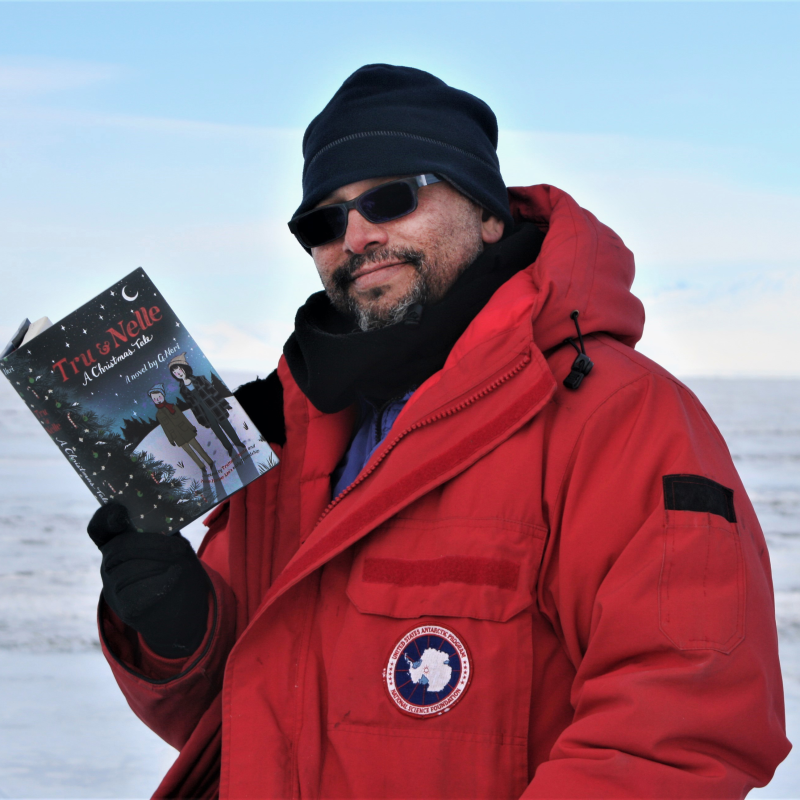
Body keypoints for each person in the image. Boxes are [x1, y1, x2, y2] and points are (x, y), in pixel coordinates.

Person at [86, 64, 790, 799]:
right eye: (322, 223)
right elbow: (258, 720)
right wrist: (179, 633)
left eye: (391, 196)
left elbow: (680, 730)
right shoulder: (288, 432)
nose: (356, 236)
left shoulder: (623, 418)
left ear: (488, 214)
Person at [168, 353, 247, 458]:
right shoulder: (182, 390)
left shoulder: (200, 379)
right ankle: (228, 447)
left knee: (226, 426)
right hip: (204, 413)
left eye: (178, 370)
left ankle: (237, 442)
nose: (177, 373)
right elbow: (192, 406)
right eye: (174, 372)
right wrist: (200, 419)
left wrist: (224, 404)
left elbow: (214, 392)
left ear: (184, 368)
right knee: (217, 431)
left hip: (215, 407)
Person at [148, 383, 215, 476]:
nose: (157, 400)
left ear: (163, 396)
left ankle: (210, 462)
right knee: (190, 452)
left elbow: (183, 418)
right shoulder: (158, 415)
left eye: (158, 397)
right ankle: (201, 466)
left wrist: (191, 427)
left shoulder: (173, 407)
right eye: (154, 399)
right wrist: (171, 439)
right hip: (177, 436)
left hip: (186, 431)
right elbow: (165, 428)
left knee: (198, 448)